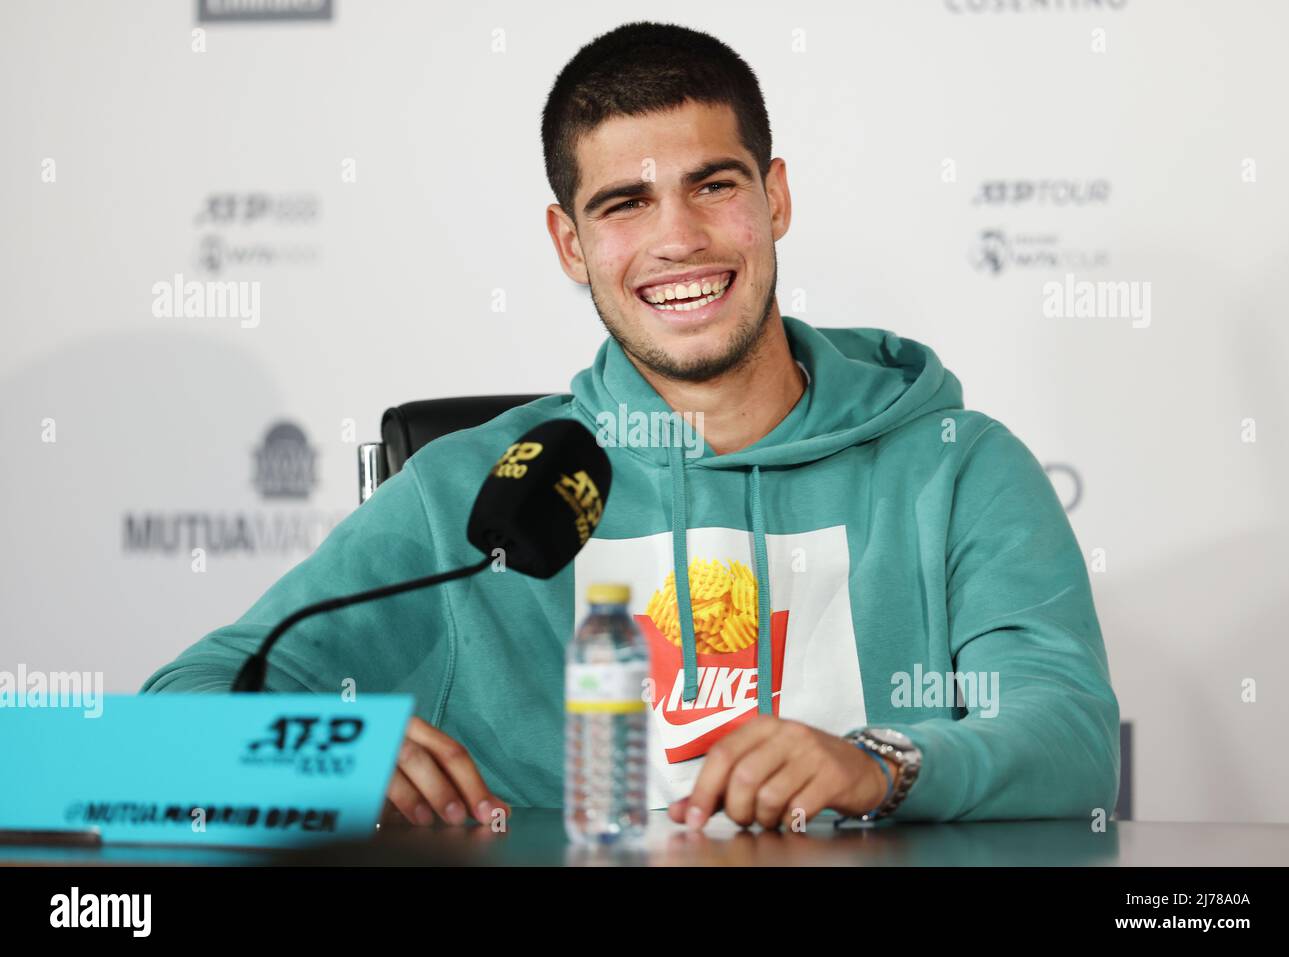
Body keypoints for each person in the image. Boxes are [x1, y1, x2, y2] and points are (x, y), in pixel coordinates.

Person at [143, 21, 1120, 832]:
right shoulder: (470, 493)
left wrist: (883, 761)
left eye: (713, 184)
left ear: (773, 197)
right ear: (569, 242)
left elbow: (1068, 734)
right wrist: (317, 748)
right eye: (624, 203)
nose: (677, 238)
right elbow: (185, 699)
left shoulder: (955, 466)